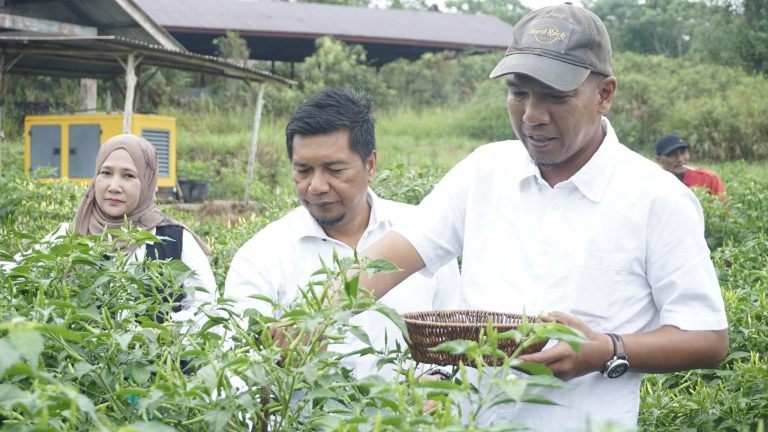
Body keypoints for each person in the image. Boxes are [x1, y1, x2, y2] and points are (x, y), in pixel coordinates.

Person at [353, 4, 728, 431]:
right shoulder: (485, 170)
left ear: (604, 94)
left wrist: (607, 349)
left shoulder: (657, 199)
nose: (532, 115)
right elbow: (387, 260)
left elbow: (707, 339)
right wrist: (310, 318)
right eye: (518, 92)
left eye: (555, 96)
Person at [225, 88, 461, 379]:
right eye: (303, 171)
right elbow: (237, 367)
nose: (316, 186)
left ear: (370, 164)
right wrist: (275, 361)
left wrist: (440, 380)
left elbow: (457, 344)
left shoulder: (423, 234)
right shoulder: (261, 256)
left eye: (334, 170)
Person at [51, 133, 216, 320]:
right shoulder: (68, 235)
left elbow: (208, 310)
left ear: (147, 181)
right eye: (105, 173)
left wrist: (166, 331)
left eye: (128, 175)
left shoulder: (175, 240)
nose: (114, 186)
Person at [655, 133, 726, 196]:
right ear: (658, 160)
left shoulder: (709, 179)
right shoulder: (655, 184)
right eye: (671, 155)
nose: (680, 159)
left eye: (683, 153)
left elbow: (724, 209)